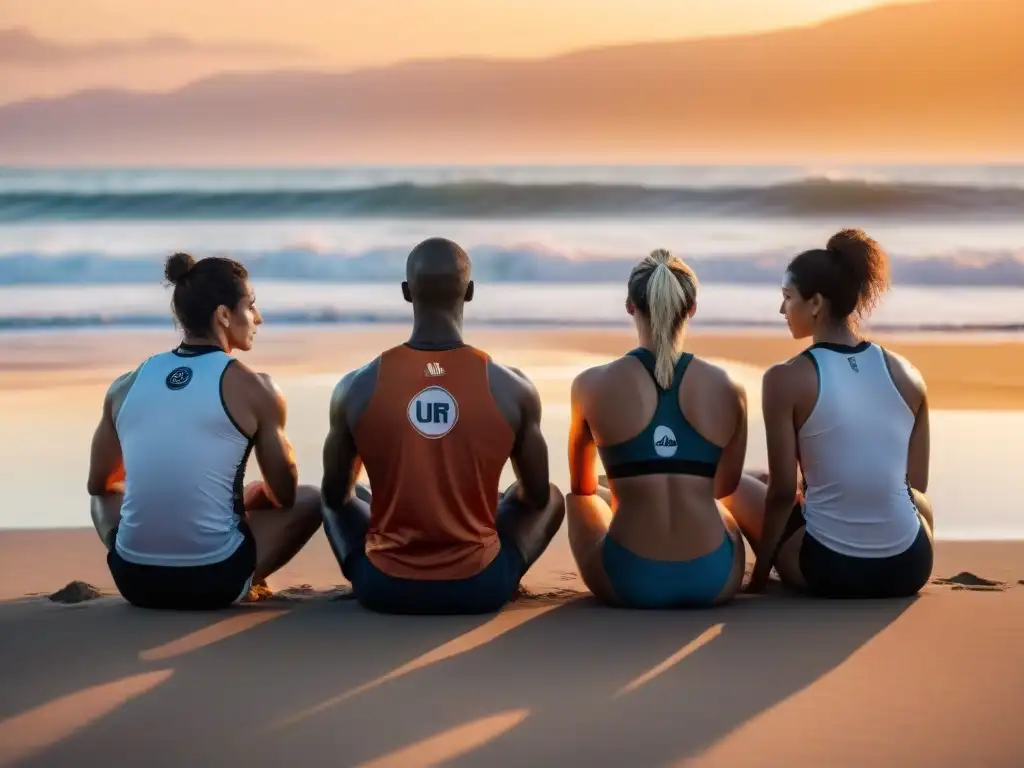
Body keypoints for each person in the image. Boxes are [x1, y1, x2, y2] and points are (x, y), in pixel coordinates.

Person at [320, 237, 565, 614]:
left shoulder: (356, 386)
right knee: (548, 494)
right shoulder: (512, 387)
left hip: (383, 589)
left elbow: (336, 497)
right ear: (469, 292)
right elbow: (536, 499)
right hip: (480, 589)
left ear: (406, 292)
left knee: (351, 494)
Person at [87, 252, 322, 610]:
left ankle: (148, 553)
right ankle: (245, 577)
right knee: (312, 498)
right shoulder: (256, 388)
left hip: (134, 581)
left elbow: (99, 484)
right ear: (224, 315)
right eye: (251, 306)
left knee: (104, 497)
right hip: (215, 583)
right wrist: (255, 493)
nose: (258, 318)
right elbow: (285, 494)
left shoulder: (125, 385)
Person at [724, 228, 934, 598]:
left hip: (829, 568)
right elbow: (915, 484)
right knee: (910, 500)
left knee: (734, 483)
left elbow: (782, 493)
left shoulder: (784, 378)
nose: (781, 309)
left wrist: (760, 580)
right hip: (911, 566)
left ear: (816, 303)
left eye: (787, 298)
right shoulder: (909, 374)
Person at [565, 249, 748, 609]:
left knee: (585, 500)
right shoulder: (729, 388)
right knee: (715, 503)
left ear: (630, 306)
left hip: (628, 581)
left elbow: (581, 486)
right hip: (715, 580)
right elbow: (724, 487)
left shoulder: (590, 385)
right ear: (691, 308)